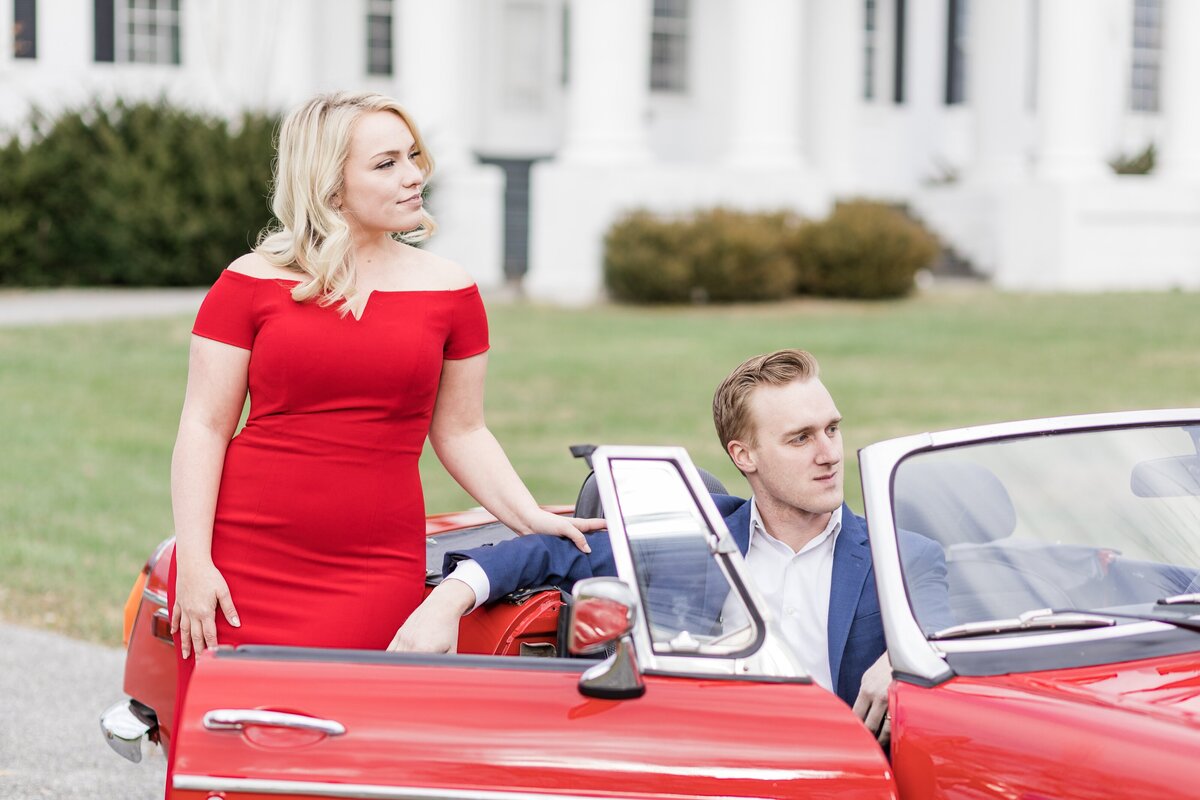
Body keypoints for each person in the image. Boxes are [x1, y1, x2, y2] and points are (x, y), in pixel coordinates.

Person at [166, 91, 601, 780]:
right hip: (248, 564)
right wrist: (195, 562)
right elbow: (203, 425)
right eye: (388, 163)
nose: (413, 177)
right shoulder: (247, 284)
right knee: (240, 766)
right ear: (330, 180)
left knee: (361, 764)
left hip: (374, 566)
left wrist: (529, 517)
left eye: (414, 158)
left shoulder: (451, 291)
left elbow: (462, 431)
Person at [392, 349, 951, 744]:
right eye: (800, 438)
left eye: (832, 429)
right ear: (744, 456)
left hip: (842, 775)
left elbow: (959, 639)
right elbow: (553, 552)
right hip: (708, 766)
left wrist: (906, 659)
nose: (828, 453)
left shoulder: (905, 557)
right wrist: (449, 598)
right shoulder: (694, 540)